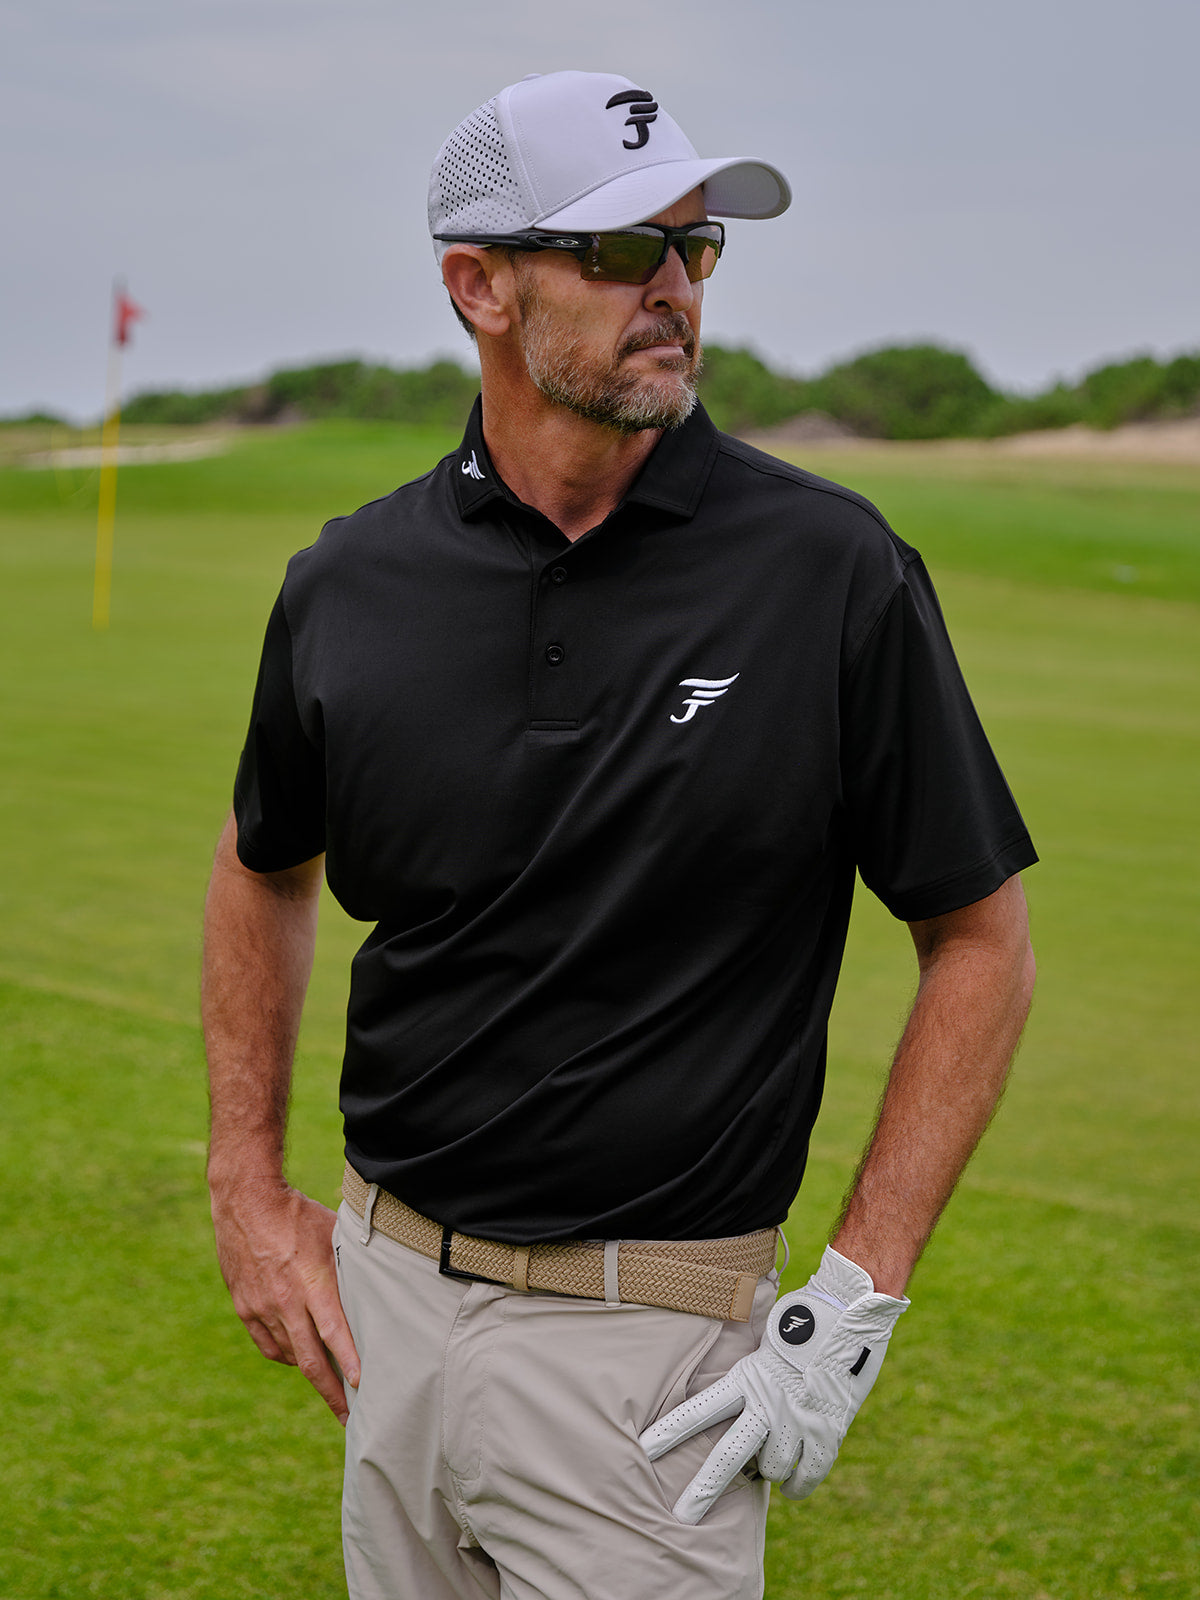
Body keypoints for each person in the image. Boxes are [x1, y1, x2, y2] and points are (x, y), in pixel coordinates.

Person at [203, 69, 1037, 1600]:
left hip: (656, 1350)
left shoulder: (830, 569)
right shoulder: (348, 582)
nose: (675, 286)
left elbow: (979, 939)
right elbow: (263, 869)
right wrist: (247, 1189)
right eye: (620, 250)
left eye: (695, 245)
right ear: (480, 287)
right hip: (386, 1319)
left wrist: (855, 1298)